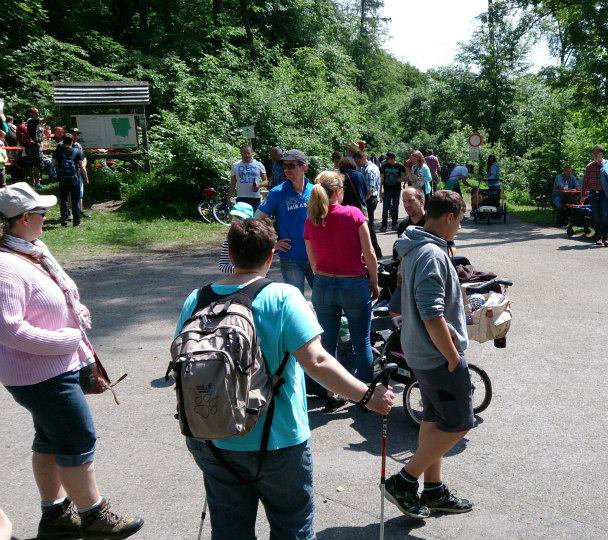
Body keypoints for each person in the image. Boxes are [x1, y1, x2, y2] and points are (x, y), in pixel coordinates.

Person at [177, 217, 393, 539]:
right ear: (271, 255)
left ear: (230, 254)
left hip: (214, 438)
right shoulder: (282, 297)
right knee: (293, 528)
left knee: (230, 532)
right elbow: (317, 361)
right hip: (279, 441)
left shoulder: (196, 300)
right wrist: (366, 395)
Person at [0, 182, 144, 539]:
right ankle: (94, 516)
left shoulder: (32, 251)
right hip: (40, 374)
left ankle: (56, 515)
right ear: (23, 218)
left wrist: (73, 309)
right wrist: (67, 339)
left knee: (50, 438)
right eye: (41, 212)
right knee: (78, 439)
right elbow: (9, 329)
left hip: (51, 367)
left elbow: (51, 293)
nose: (46, 217)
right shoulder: (5, 266)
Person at [384, 190, 473, 519]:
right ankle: (403, 482)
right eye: (459, 221)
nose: (459, 227)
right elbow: (431, 312)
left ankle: (433, 490)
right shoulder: (432, 254)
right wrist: (452, 356)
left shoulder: (416, 246)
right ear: (448, 217)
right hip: (436, 356)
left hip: (420, 351)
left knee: (434, 419)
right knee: (460, 423)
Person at [304, 171, 379, 396]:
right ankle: (366, 394)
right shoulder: (353, 214)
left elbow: (313, 262)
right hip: (353, 284)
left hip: (323, 284)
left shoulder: (311, 220)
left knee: (327, 343)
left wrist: (325, 278)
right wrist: (374, 282)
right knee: (361, 340)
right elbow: (370, 253)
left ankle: (331, 392)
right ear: (338, 191)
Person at [254, 149, 315, 294]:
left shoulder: (315, 190)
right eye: (285, 166)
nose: (287, 169)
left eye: (291, 165)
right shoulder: (277, 192)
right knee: (295, 300)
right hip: (290, 257)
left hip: (316, 255)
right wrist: (272, 244)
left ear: (304, 167)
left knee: (323, 300)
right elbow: (255, 221)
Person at [582, 145, 608, 247]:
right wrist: (582, 194)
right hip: (593, 193)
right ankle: (598, 237)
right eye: (594, 152)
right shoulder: (589, 166)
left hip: (604, 194)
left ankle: (606, 237)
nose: (595, 154)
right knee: (596, 216)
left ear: (601, 153)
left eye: (597, 152)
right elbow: (585, 181)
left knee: (604, 215)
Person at [52, 133, 85, 227]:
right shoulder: (77, 151)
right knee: (75, 200)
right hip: (75, 178)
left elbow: (53, 164)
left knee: (64, 199)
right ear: (72, 141)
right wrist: (86, 178)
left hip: (63, 178)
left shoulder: (58, 151)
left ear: (62, 141)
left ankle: (64, 220)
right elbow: (81, 166)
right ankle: (76, 222)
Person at [217, 202, 255, 273]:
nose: (235, 220)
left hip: (256, 278)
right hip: (237, 278)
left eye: (240, 218)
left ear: (250, 220)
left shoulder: (256, 240)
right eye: (234, 216)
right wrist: (240, 270)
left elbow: (263, 264)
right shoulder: (229, 241)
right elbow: (222, 265)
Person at [357, 153, 383, 259]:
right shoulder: (371, 167)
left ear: (364, 158)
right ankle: (374, 251)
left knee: (369, 226)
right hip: (372, 199)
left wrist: (362, 202)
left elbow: (370, 191)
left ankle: (376, 251)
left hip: (369, 199)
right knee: (369, 225)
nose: (357, 163)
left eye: (358, 160)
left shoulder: (369, 170)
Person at [228, 145, 268, 212]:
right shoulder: (235, 165)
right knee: (241, 218)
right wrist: (228, 198)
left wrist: (259, 185)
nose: (247, 155)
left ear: (252, 153)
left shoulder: (259, 164)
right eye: (244, 153)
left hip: (255, 198)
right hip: (241, 198)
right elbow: (232, 183)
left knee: (255, 218)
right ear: (241, 153)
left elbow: (266, 181)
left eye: (248, 153)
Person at [379, 152, 405, 232]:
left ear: (392, 158)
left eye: (388, 158)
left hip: (396, 190)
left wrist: (402, 179)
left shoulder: (399, 166)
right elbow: (381, 179)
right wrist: (380, 191)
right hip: (387, 190)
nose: (386, 160)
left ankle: (394, 225)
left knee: (395, 208)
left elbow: (407, 173)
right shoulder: (384, 166)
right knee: (385, 208)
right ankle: (384, 226)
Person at [22, 107, 42, 186]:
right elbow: (43, 120)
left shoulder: (28, 121)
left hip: (29, 145)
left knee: (31, 164)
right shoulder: (31, 120)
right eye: (36, 112)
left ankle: (32, 182)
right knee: (37, 164)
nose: (38, 114)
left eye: (38, 112)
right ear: (30, 113)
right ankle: (37, 183)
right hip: (34, 146)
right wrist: (55, 117)